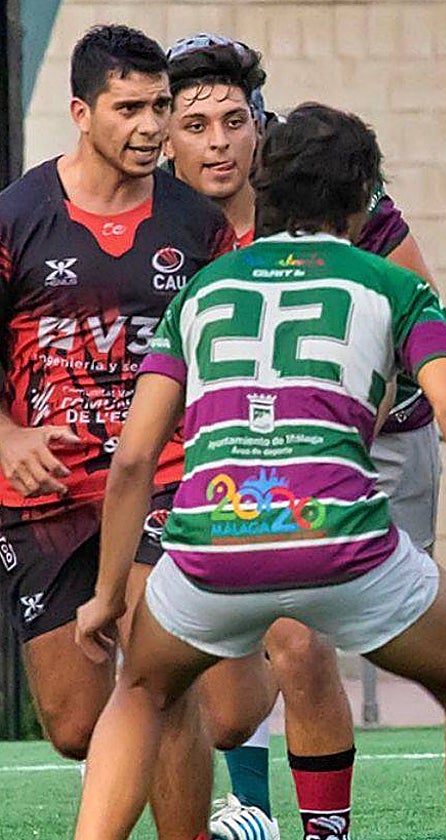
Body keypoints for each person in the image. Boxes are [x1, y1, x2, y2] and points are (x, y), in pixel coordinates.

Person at [70, 101, 446, 840]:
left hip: (209, 548)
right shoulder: (395, 285)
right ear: (363, 203)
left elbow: (136, 455)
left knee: (141, 690)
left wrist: (108, 595)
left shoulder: (202, 292)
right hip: (342, 542)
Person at [0, 24, 235, 840]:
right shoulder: (16, 216)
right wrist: (4, 435)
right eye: (129, 107)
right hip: (49, 495)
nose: (149, 127)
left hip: (166, 476)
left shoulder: (198, 226)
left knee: (159, 674)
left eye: (159, 107)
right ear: (79, 111)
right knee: (72, 723)